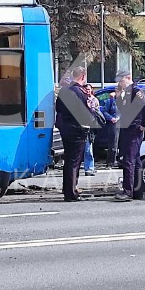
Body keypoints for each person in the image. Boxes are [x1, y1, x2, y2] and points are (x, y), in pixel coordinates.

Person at [114, 70, 145, 202]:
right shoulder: (127, 92)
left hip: (134, 129)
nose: (120, 83)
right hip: (129, 129)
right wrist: (118, 97)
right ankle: (137, 191)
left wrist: (144, 123)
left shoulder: (136, 91)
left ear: (128, 78)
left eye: (121, 80)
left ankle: (128, 191)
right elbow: (124, 110)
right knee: (136, 161)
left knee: (129, 160)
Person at [55, 67, 95, 201]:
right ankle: (71, 193)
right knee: (75, 162)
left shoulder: (64, 90)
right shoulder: (80, 92)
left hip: (65, 129)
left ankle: (67, 188)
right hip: (77, 130)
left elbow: (58, 108)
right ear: (83, 77)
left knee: (68, 161)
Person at [82, 84, 100, 176]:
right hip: (81, 126)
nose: (87, 91)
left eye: (89, 89)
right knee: (84, 148)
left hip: (91, 127)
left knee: (88, 148)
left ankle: (89, 168)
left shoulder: (94, 100)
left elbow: (95, 112)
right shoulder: (81, 99)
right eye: (86, 89)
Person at [101, 90, 120, 167]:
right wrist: (111, 118)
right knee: (113, 143)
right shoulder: (110, 101)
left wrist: (119, 117)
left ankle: (120, 160)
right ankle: (111, 162)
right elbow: (105, 111)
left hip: (122, 123)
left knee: (121, 143)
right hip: (113, 123)